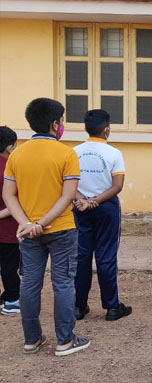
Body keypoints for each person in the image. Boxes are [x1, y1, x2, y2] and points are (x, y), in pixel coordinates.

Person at [2, 97, 90, 356]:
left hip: (28, 232)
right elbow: (68, 196)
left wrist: (27, 224)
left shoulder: (17, 155)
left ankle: (32, 340)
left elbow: (9, 195)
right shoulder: (66, 153)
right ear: (55, 124)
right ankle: (65, 340)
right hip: (61, 229)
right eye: (61, 120)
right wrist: (41, 223)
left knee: (29, 283)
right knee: (63, 283)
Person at [72, 109, 131, 321]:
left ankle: (78, 307)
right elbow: (117, 186)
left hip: (79, 207)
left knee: (81, 256)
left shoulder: (74, 152)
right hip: (106, 207)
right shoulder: (114, 153)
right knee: (106, 256)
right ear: (106, 130)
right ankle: (112, 307)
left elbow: (68, 183)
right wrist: (96, 201)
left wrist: (82, 201)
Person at [0, 125, 20, 316]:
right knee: (9, 266)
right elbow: (15, 199)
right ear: (9, 147)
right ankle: (12, 299)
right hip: (8, 228)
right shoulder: (10, 169)